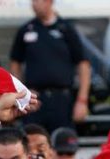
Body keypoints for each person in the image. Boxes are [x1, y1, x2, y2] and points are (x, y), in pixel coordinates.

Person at [10, 0, 90, 131]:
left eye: (37, 1)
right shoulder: (26, 30)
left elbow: (83, 65)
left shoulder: (66, 29)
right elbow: (15, 63)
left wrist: (82, 100)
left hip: (62, 99)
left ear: (49, 2)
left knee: (61, 143)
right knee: (31, 140)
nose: (34, 4)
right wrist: (21, 93)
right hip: (35, 99)